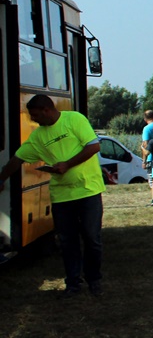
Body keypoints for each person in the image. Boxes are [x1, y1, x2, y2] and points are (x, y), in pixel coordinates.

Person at [0, 95, 105, 297]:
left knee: (92, 238)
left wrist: (67, 164)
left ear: (47, 110)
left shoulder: (74, 119)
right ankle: (73, 283)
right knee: (67, 241)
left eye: (36, 115)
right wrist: (1, 178)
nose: (34, 120)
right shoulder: (38, 136)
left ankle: (94, 278)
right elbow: (17, 159)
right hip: (62, 195)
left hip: (88, 190)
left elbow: (93, 146)